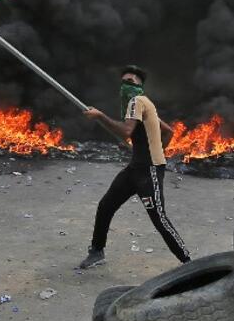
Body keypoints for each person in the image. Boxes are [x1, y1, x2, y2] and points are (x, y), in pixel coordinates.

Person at [79, 65, 190, 269]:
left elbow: (125, 132)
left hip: (149, 172)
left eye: (131, 82)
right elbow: (169, 131)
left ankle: (188, 262)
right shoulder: (144, 104)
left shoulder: (137, 101)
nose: (125, 86)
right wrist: (157, 149)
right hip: (135, 169)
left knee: (159, 218)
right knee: (106, 206)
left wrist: (100, 116)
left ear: (140, 86)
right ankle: (96, 252)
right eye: (123, 82)